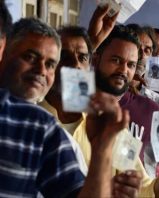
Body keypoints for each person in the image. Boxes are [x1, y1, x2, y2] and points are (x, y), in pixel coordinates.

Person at [0, 1, 127, 197]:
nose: (42, 70)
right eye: (30, 57)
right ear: (4, 52)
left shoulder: (40, 128)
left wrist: (102, 149)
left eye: (50, 63)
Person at [94, 24, 159, 197]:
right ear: (95, 59)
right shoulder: (75, 106)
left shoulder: (146, 111)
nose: (123, 70)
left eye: (130, 64)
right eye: (116, 60)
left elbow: (139, 181)